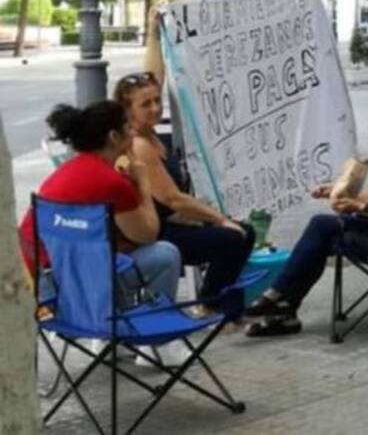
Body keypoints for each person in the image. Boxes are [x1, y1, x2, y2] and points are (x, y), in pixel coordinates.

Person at [243, 103, 368, 338]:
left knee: (321, 225)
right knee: (320, 242)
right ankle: (284, 311)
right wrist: (341, 191)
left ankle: (276, 296)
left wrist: (360, 207)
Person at [19, 101, 182, 310]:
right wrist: (143, 183)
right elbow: (148, 234)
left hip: (40, 283)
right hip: (75, 290)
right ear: (114, 137)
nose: (133, 134)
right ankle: (154, 323)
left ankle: (120, 329)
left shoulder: (67, 170)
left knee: (116, 258)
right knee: (165, 254)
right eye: (128, 128)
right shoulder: (111, 181)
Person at [116, 72, 255, 313]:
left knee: (244, 231)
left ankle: (220, 307)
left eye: (157, 100)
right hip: (154, 234)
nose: (156, 108)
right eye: (146, 104)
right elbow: (172, 198)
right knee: (235, 236)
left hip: (170, 222)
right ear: (127, 111)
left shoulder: (152, 136)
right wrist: (218, 219)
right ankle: (211, 307)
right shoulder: (139, 144)